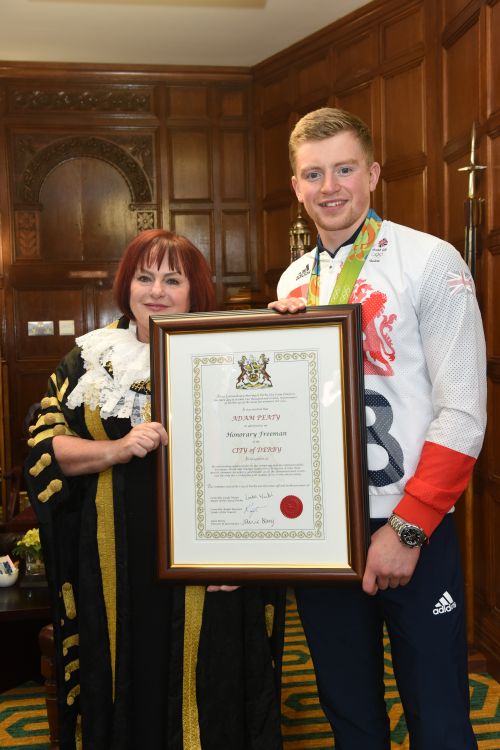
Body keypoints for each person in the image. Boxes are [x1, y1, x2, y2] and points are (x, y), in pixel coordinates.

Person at [269, 108, 486, 749]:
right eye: (314, 173)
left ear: (373, 173)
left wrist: (409, 527)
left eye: (344, 168)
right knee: (349, 713)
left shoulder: (429, 260)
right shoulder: (291, 282)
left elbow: (465, 411)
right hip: (323, 531)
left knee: (439, 713)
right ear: (296, 186)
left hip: (413, 522)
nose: (329, 186)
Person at [25, 229, 285, 750]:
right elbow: (45, 449)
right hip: (113, 561)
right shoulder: (88, 360)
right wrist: (116, 450)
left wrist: (285, 334)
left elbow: (274, 452)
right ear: (127, 285)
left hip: (212, 562)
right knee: (127, 672)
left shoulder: (232, 352)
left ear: (195, 291)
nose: (157, 291)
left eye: (173, 279)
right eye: (145, 277)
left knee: (210, 685)